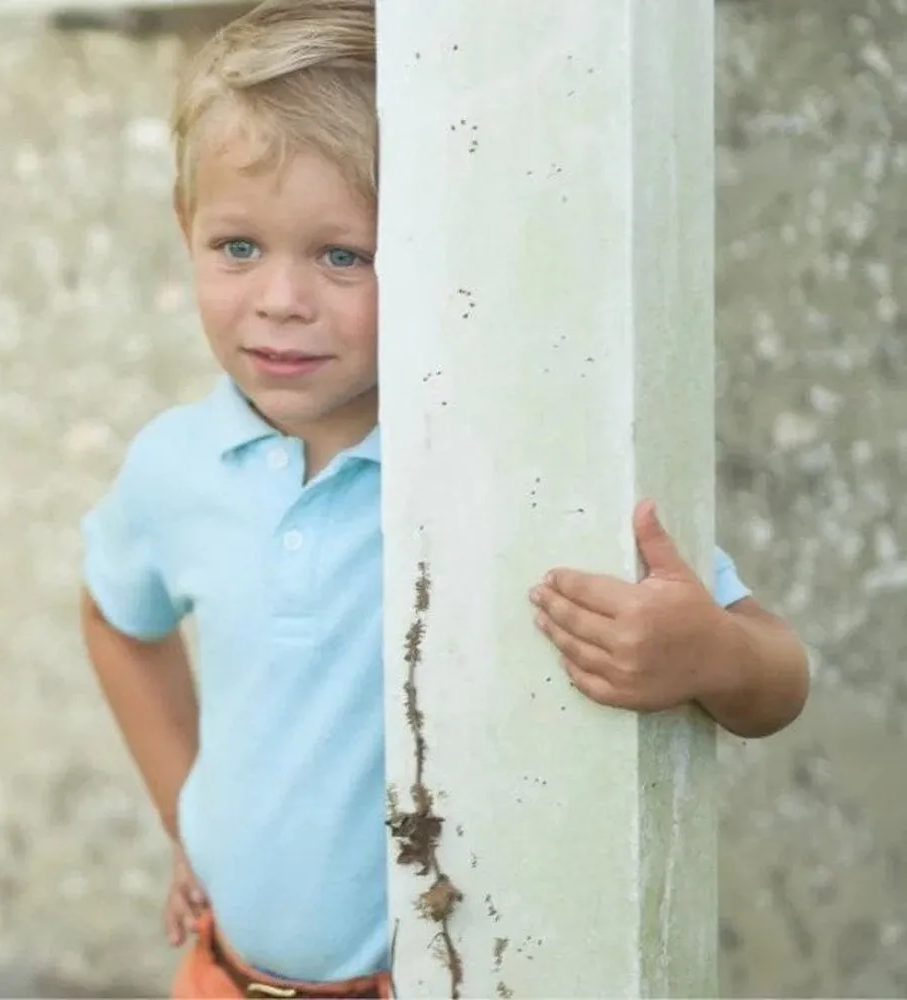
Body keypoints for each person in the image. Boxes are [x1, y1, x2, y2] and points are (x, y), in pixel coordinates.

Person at [79, 1, 810, 996]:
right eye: (238, 246)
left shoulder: (505, 475)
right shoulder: (174, 469)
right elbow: (117, 618)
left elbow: (779, 677)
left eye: (343, 255)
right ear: (185, 230)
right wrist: (189, 816)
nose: (281, 299)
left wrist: (710, 654)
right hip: (220, 976)